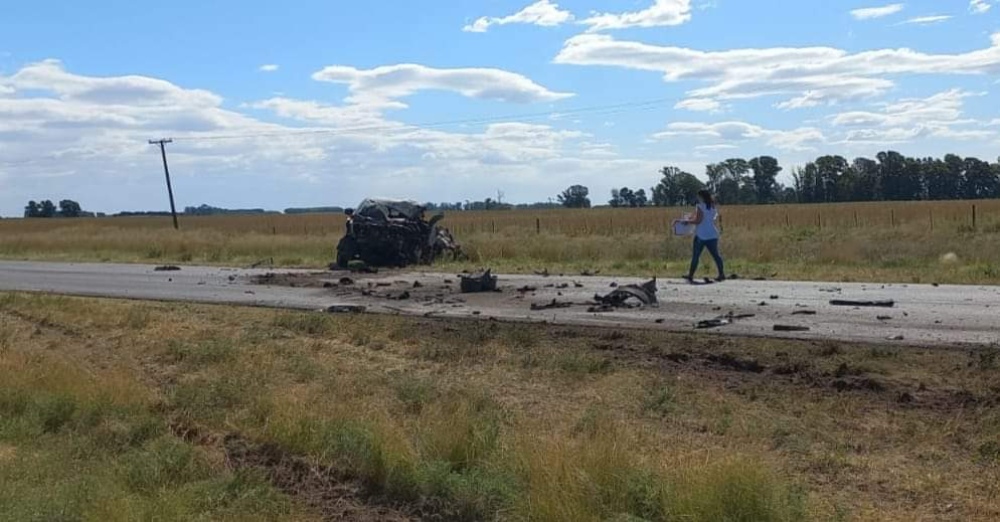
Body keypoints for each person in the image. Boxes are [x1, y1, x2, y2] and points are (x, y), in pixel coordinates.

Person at [682, 190, 725, 283]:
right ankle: (721, 274)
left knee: (696, 256)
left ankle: (690, 275)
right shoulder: (713, 206)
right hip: (712, 234)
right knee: (716, 255)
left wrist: (687, 221)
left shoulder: (700, 206)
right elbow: (708, 218)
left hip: (701, 235)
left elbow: (698, 221)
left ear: (701, 197)